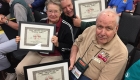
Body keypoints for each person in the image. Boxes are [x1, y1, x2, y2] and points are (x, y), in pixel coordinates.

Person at [15, 0, 74, 80]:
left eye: (56, 11)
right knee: (19, 70)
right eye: (50, 11)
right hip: (37, 52)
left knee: (39, 75)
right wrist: (22, 40)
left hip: (55, 55)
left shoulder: (67, 27)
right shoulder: (42, 21)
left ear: (61, 12)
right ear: (46, 11)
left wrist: (58, 44)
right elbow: (33, 38)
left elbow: (70, 48)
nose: (53, 14)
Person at [69, 9, 128, 80]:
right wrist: (72, 59)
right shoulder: (90, 29)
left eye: (108, 28)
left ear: (116, 28)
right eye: (100, 27)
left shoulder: (120, 53)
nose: (102, 33)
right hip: (73, 69)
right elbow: (76, 44)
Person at [0, 0, 34, 80]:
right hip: (16, 34)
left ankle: (11, 72)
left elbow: (21, 27)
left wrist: (5, 21)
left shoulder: (17, 6)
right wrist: (4, 17)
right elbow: (13, 17)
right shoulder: (13, 4)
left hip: (25, 38)